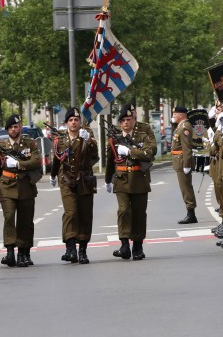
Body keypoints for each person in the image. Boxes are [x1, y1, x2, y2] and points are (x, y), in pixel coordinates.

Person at [0, 114, 41, 267]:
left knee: (25, 220)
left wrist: (18, 164)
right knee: (9, 217)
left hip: (26, 185)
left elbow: (36, 161)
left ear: (20, 127)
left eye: (16, 126)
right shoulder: (2, 145)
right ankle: (10, 251)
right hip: (7, 185)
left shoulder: (29, 143)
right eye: (11, 127)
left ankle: (24, 252)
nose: (13, 129)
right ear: (7, 129)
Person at [106, 103, 157, 260]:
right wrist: (108, 179)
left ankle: (138, 246)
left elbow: (150, 152)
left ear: (134, 120)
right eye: (123, 120)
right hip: (121, 180)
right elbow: (110, 160)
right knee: (123, 211)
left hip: (139, 179)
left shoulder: (142, 136)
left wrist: (130, 151)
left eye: (129, 119)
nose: (126, 122)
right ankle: (124, 245)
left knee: (139, 214)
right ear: (120, 123)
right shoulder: (115, 139)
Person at [50, 108, 98, 264]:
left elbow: (95, 157)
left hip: (84, 179)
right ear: (66, 123)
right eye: (70, 120)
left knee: (85, 214)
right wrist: (52, 175)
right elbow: (57, 159)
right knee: (71, 212)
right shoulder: (60, 140)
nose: (73, 123)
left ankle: (82, 249)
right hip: (66, 179)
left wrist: (89, 142)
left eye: (76, 120)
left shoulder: (87, 137)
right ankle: (71, 247)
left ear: (80, 123)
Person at [171, 105, 198, 224]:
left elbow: (186, 148)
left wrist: (187, 164)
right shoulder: (180, 126)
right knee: (184, 188)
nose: (173, 116)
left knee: (186, 188)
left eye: (175, 114)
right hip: (179, 160)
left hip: (182, 161)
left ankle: (191, 214)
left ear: (181, 115)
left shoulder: (184, 127)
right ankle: (190, 212)